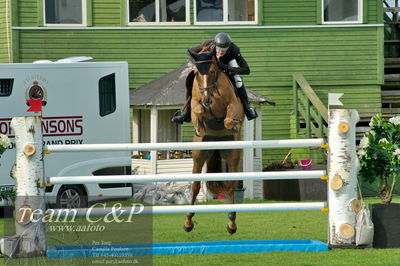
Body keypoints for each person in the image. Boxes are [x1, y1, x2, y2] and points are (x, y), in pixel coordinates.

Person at [171, 32, 258, 124]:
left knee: (238, 81)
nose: (220, 52)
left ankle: (248, 109)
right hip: (210, 65)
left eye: (223, 50)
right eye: (219, 49)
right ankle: (186, 113)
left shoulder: (234, 50)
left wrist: (226, 67)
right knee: (191, 78)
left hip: (227, 64)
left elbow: (246, 70)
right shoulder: (208, 44)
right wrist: (199, 61)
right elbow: (190, 51)